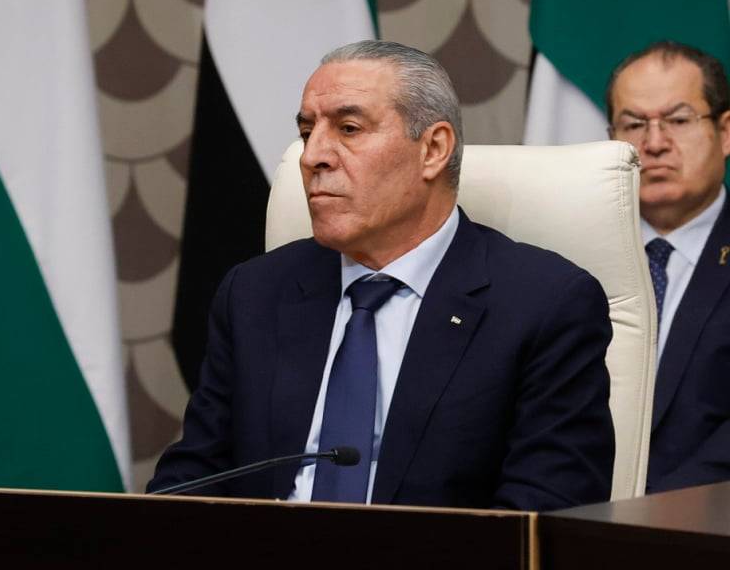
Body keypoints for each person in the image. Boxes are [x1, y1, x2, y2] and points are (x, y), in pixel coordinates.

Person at [148, 40, 615, 511]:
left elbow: (543, 515)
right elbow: (190, 482)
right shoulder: (255, 292)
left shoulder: (544, 304)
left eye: (348, 129)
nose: (312, 156)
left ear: (433, 149)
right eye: (307, 131)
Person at [607, 41, 730, 493]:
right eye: (634, 124)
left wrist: (644, 515)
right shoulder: (565, 257)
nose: (655, 144)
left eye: (678, 120)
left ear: (726, 132)